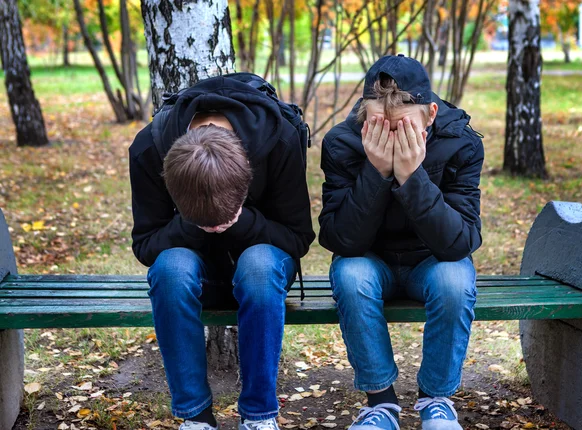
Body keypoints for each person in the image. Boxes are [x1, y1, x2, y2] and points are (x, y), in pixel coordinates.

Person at [128, 75, 315, 430]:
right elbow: (146, 245)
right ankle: (195, 416)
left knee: (259, 267)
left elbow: (298, 238)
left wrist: (240, 222)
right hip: (189, 268)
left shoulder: (280, 141)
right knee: (170, 270)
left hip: (263, 267)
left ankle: (259, 415)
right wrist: (189, 225)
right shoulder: (148, 148)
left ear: (248, 179)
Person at [319, 54, 484, 430]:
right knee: (350, 274)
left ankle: (436, 400)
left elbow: (459, 242)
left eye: (403, 127)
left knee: (455, 281)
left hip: (433, 259)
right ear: (364, 114)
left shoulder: (461, 143)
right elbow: (342, 239)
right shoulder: (342, 143)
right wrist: (376, 172)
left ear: (430, 114)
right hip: (370, 258)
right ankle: (380, 404)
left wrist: (412, 176)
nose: (391, 136)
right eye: (379, 125)